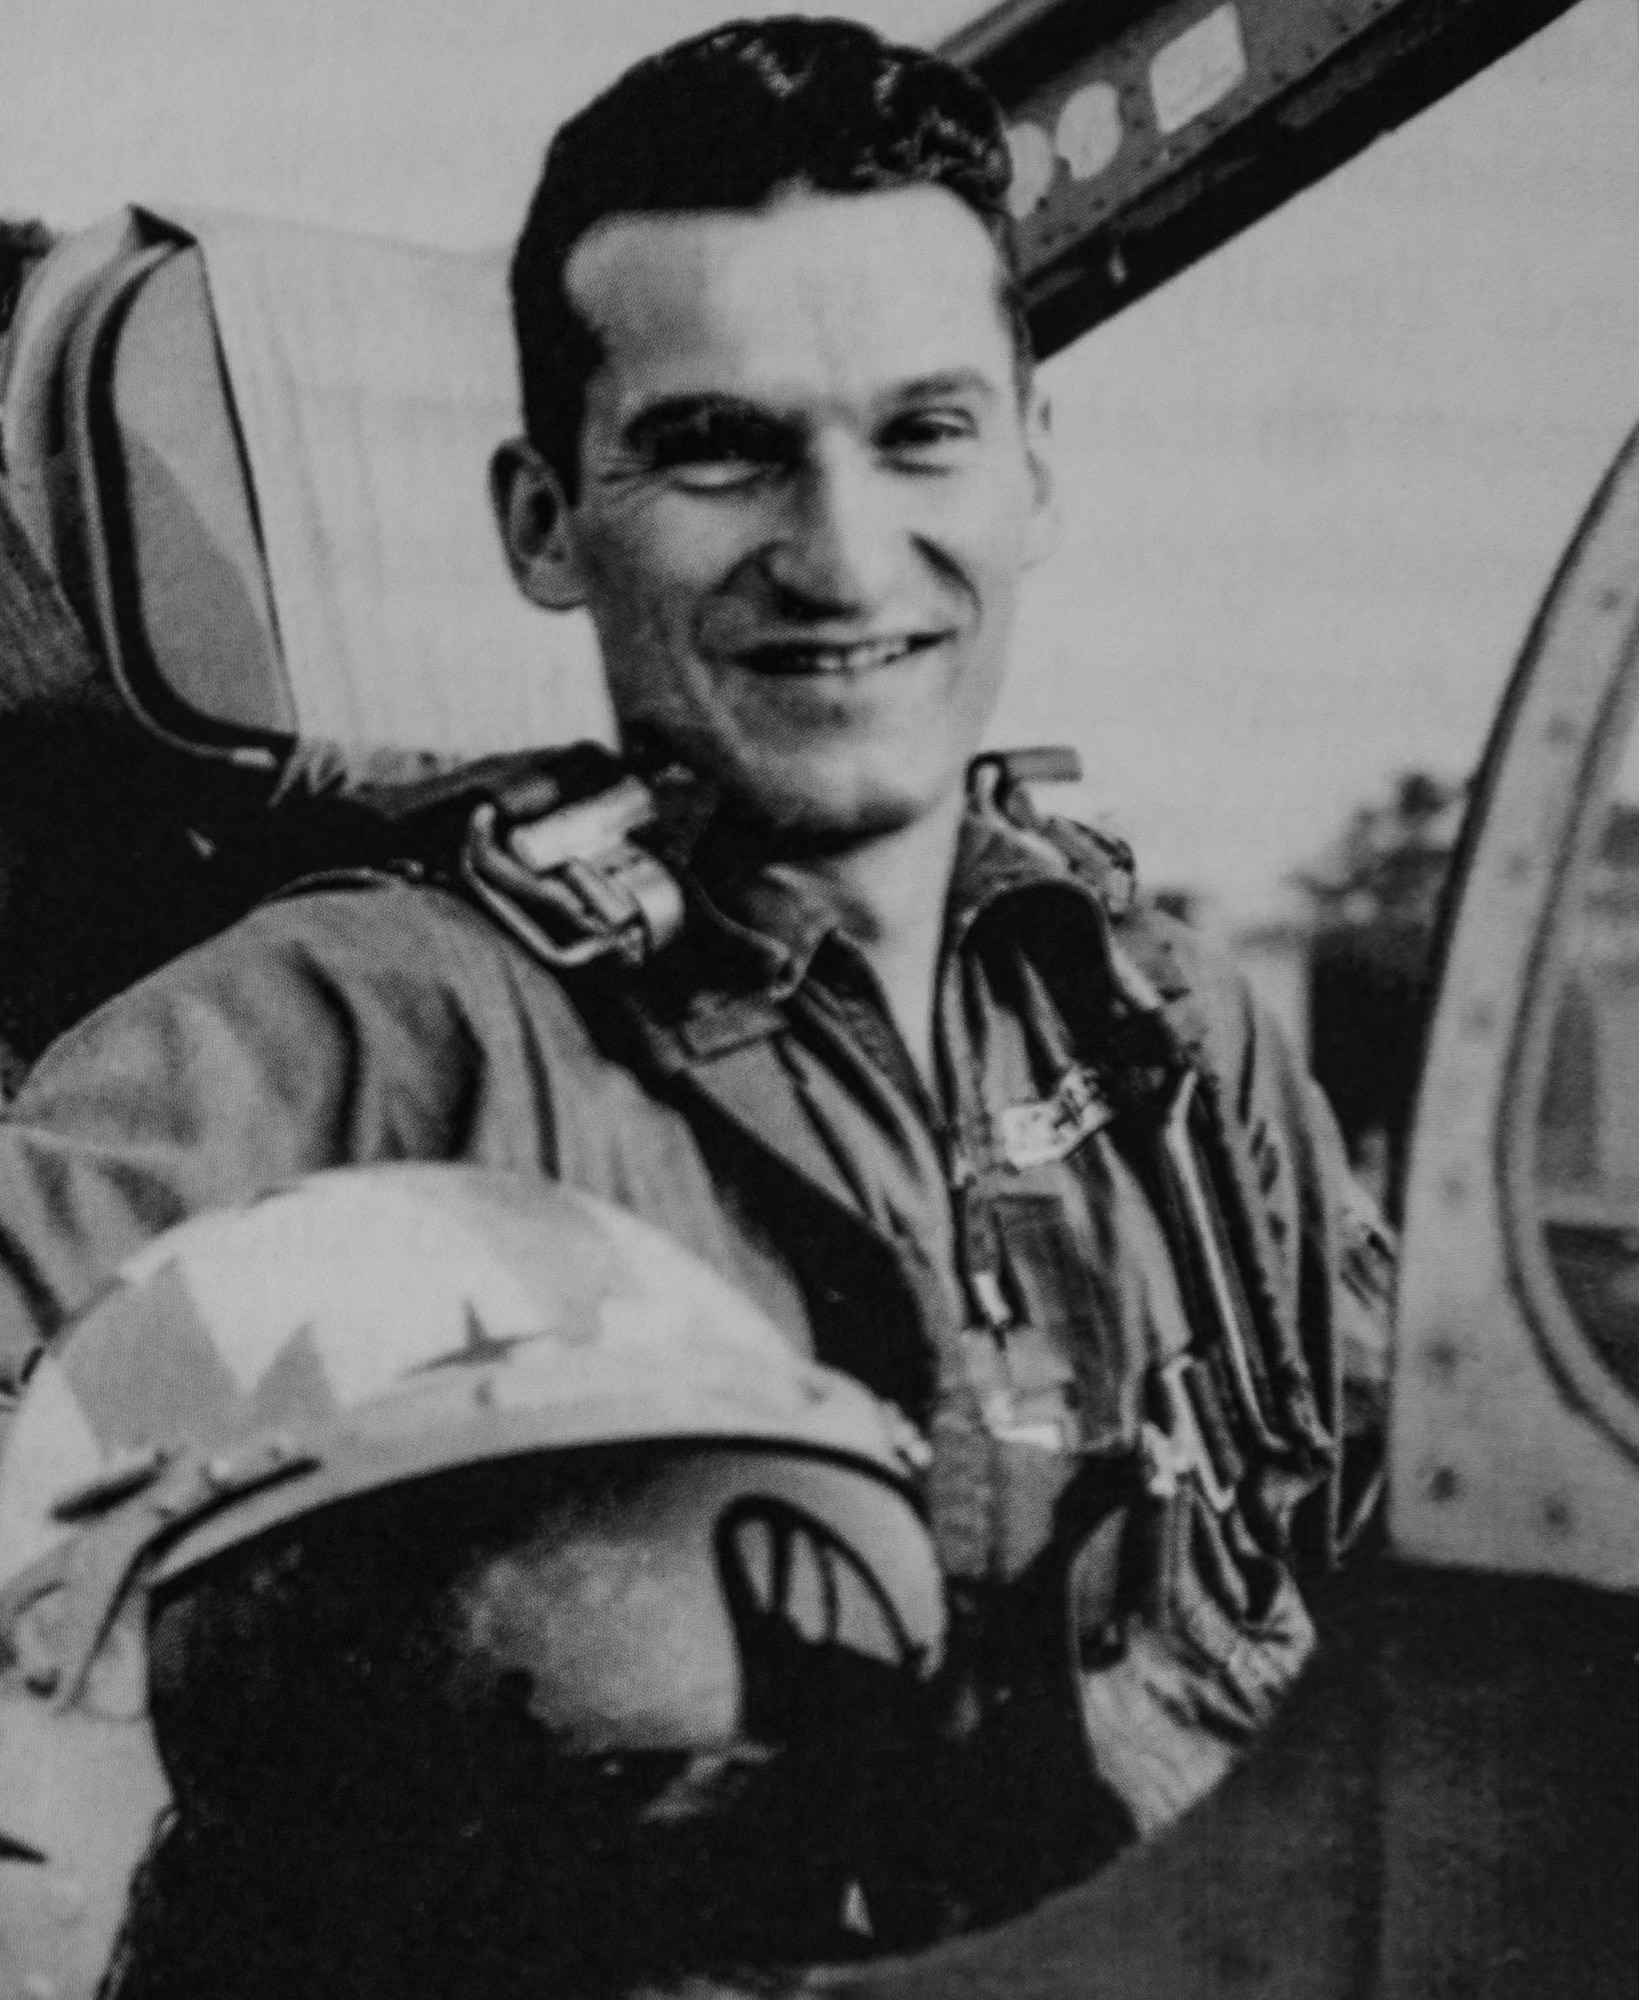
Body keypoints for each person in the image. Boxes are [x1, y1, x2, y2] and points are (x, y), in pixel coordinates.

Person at [0, 11, 1390, 1967]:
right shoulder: (359, 1035)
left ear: (1029, 474)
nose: (838, 555)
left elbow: (1371, 1586)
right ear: (545, 523)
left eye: (918, 431)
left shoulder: (1157, 1027)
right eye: (717, 449)